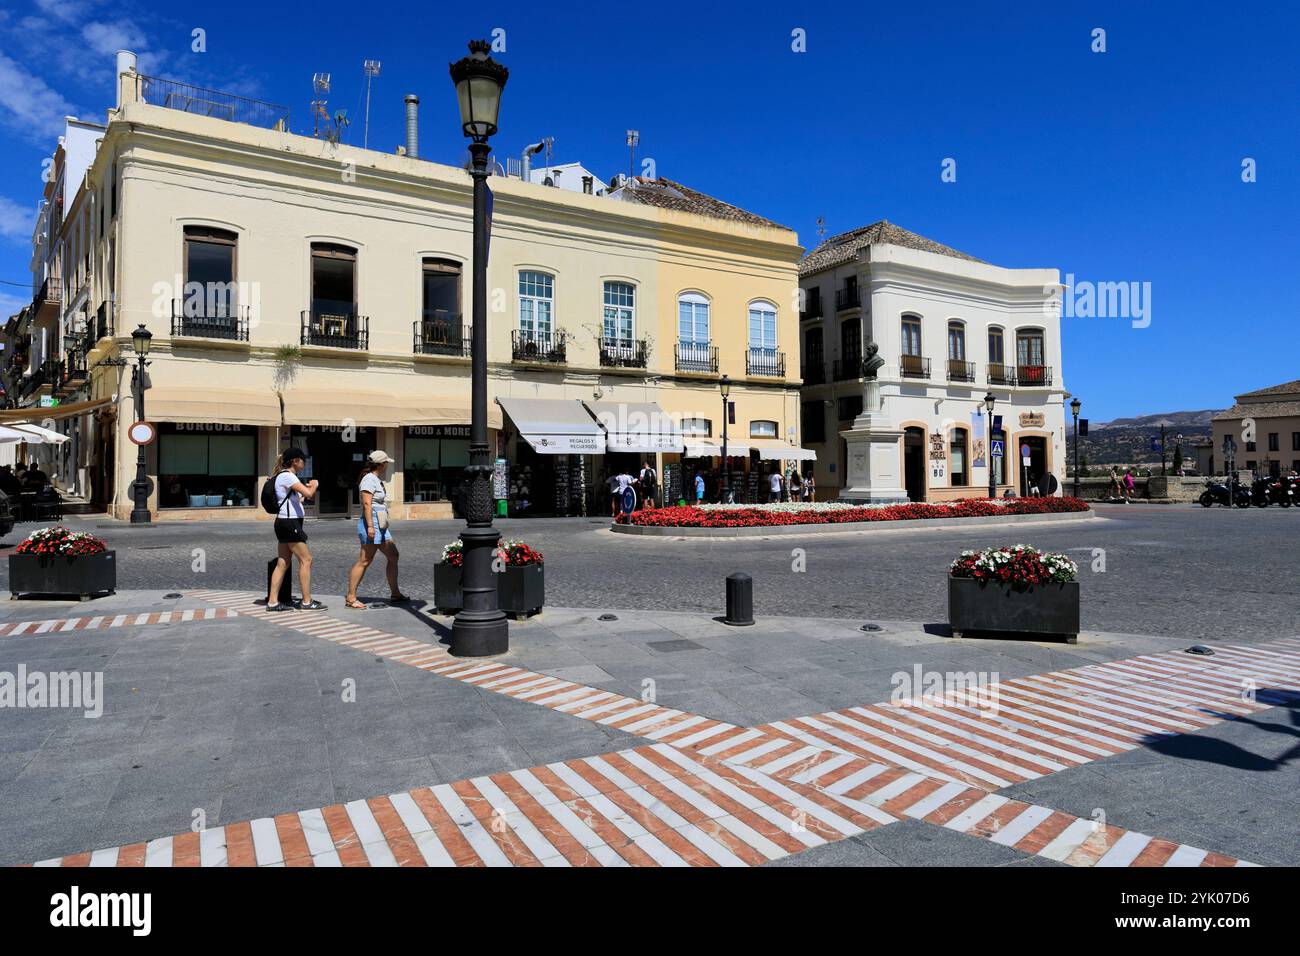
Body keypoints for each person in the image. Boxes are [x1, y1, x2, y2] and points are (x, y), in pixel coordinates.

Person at [345, 450, 408, 609]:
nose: (387, 465)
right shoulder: (368, 480)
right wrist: (371, 527)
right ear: (381, 464)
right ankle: (351, 597)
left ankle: (395, 593)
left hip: (380, 525)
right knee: (365, 560)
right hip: (371, 524)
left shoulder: (375, 479)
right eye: (386, 462)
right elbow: (367, 504)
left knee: (393, 555)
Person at [265, 447, 326, 611]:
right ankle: (306, 601)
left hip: (285, 522)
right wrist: (314, 485)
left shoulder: (284, 477)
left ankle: (272, 602)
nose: (304, 463)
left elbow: (298, 498)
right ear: (295, 461)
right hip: (290, 523)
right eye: (302, 460)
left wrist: (304, 492)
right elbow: (309, 493)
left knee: (282, 563)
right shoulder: (288, 476)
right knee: (306, 560)